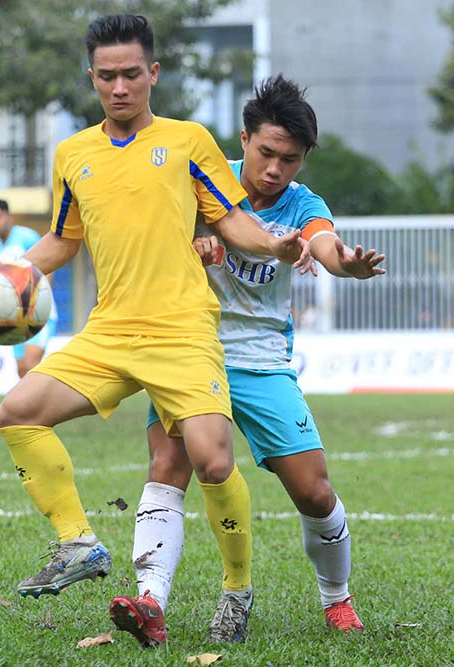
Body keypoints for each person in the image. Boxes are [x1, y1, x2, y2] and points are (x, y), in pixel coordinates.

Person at [0, 15, 313, 645]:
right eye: (107, 76)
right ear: (92, 77)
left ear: (153, 75)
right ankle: (79, 544)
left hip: (182, 329)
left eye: (132, 74)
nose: (120, 87)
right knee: (18, 410)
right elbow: (62, 242)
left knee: (213, 461)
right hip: (110, 330)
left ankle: (236, 591)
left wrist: (281, 245)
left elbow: (232, 222)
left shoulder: (189, 141)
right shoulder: (73, 155)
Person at [110, 75, 386, 645]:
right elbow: (162, 241)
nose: (275, 169)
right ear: (243, 139)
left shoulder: (303, 204)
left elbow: (325, 244)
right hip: (188, 351)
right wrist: (196, 244)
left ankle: (337, 599)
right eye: (265, 153)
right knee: (168, 468)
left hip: (262, 360)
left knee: (314, 491)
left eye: (290, 159)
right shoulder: (203, 183)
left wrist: (346, 264)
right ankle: (150, 600)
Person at [0, 199, 59, 377]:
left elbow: (48, 264)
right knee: (22, 370)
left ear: (9, 217)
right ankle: (39, 405)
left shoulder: (26, 237)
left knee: (31, 364)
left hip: (38, 314)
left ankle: (49, 402)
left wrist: (39, 298)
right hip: (14, 319)